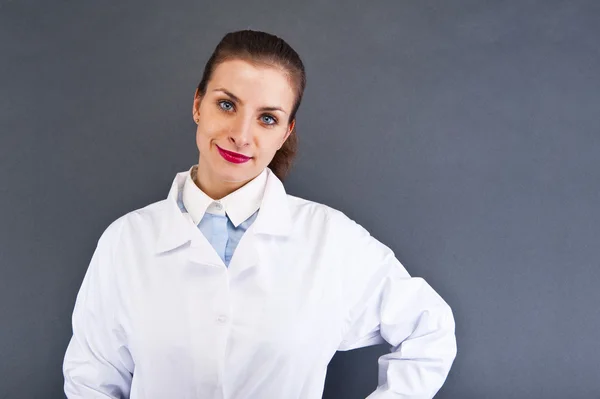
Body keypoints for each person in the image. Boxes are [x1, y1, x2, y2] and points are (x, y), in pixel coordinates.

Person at [63, 30, 457, 399]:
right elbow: (90, 380)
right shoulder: (127, 240)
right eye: (226, 104)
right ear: (198, 104)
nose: (242, 134)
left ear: (285, 132)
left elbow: (430, 329)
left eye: (267, 118)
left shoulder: (332, 240)